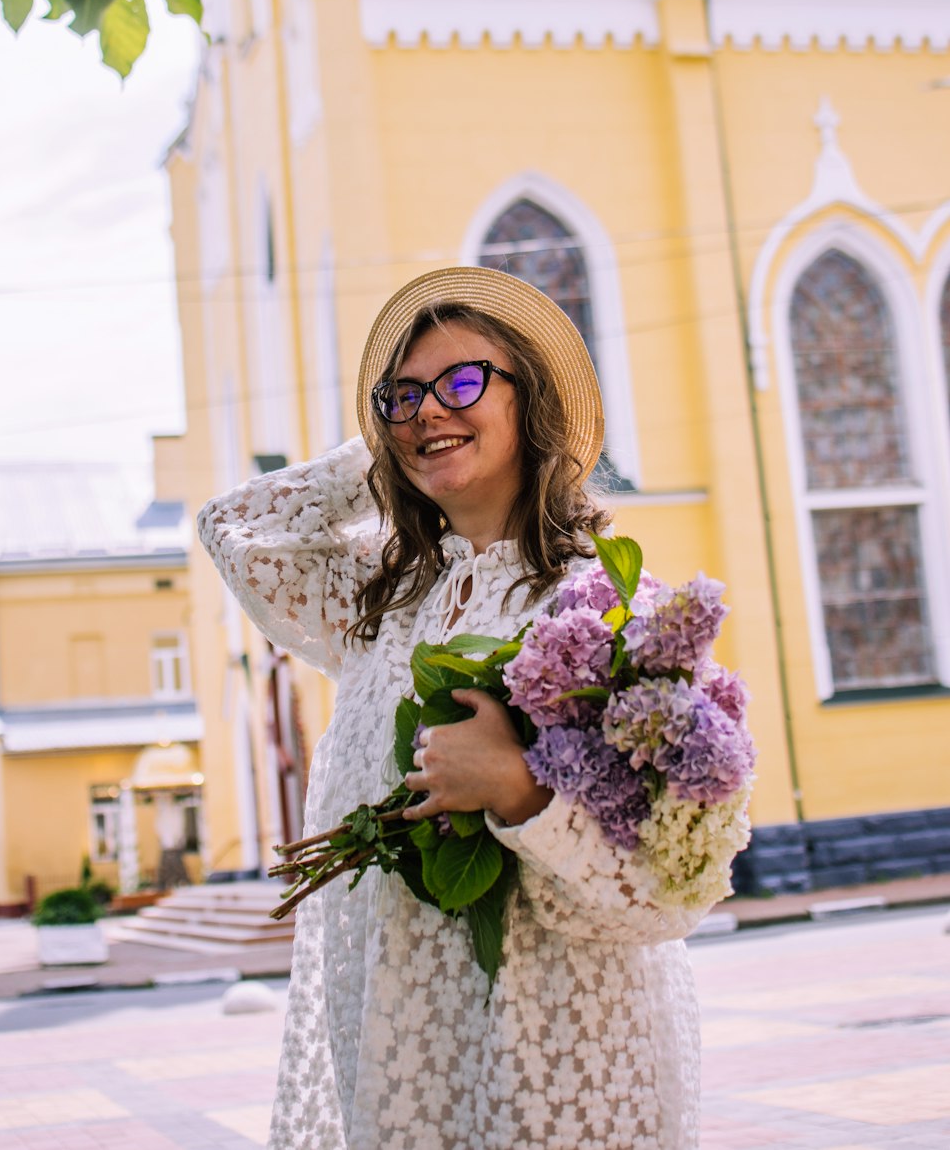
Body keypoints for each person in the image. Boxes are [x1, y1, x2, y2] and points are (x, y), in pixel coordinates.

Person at [198, 266, 726, 1150]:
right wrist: (394, 445)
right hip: (400, 1052)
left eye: (465, 382)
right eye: (405, 396)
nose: (431, 410)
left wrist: (520, 791)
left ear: (534, 404)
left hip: (547, 1065)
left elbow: (663, 903)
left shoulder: (598, 613)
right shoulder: (385, 601)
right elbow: (233, 527)